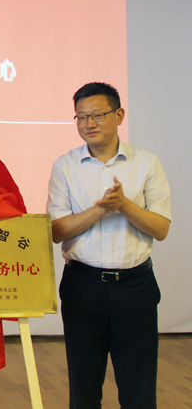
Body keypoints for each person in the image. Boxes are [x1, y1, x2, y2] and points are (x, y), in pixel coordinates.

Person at [47, 82, 171, 409]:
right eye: (81, 117)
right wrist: (101, 209)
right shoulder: (65, 166)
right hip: (83, 287)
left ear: (119, 115)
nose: (89, 123)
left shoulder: (146, 163)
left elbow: (161, 229)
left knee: (138, 387)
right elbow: (56, 231)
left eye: (97, 115)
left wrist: (125, 206)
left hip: (135, 288)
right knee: (84, 388)